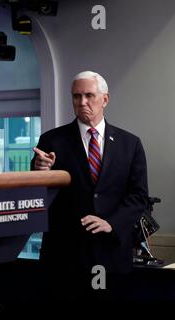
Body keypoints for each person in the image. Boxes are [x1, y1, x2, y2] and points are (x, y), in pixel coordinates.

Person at [31, 71, 148, 299]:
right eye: (76, 96)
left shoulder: (130, 144)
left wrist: (111, 224)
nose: (82, 102)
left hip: (110, 255)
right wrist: (40, 172)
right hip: (64, 256)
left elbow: (139, 196)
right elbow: (35, 196)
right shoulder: (51, 141)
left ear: (105, 99)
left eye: (89, 95)